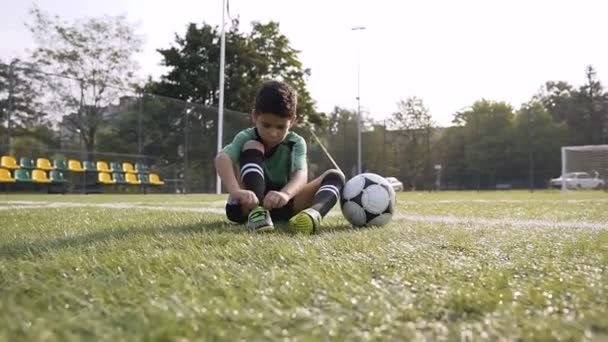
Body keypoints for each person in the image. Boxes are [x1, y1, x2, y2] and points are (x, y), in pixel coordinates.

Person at [214, 80, 345, 234]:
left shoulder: (296, 143)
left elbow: (301, 175)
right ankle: (258, 213)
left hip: (283, 204)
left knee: (336, 176)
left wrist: (285, 194)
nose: (273, 133)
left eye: (281, 127)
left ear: (292, 122)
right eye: (266, 125)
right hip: (247, 205)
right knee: (253, 145)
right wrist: (235, 191)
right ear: (255, 116)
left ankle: (312, 215)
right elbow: (222, 158)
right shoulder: (246, 136)